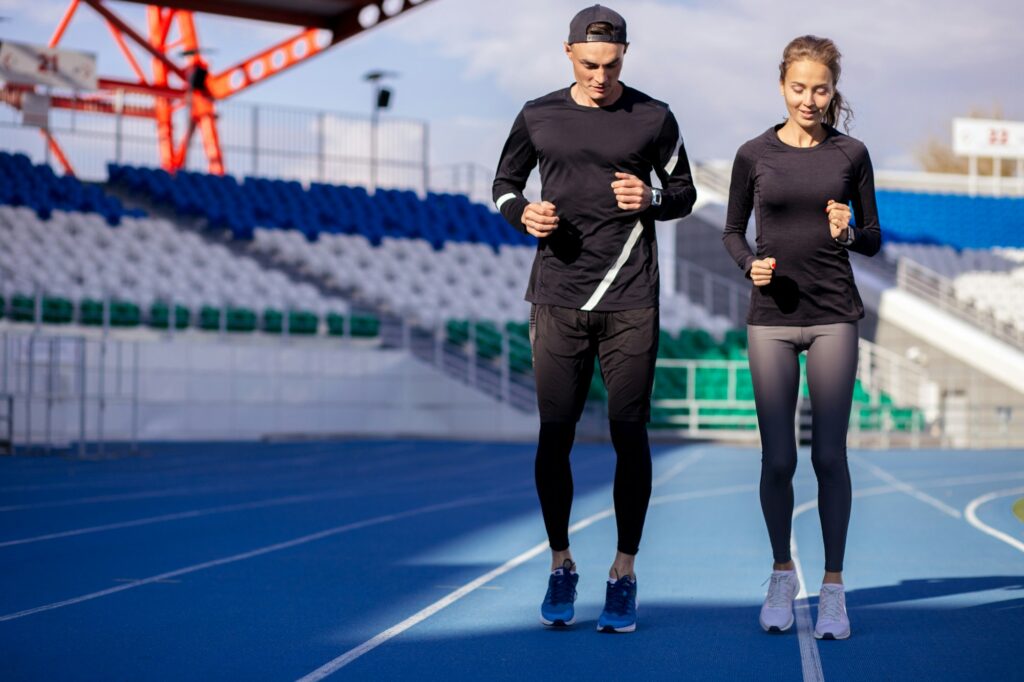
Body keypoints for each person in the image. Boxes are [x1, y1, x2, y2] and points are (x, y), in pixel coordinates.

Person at [492, 4, 697, 633]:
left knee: (628, 436)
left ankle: (623, 573)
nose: (601, 76)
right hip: (556, 298)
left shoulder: (654, 116)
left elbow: (685, 193)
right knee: (555, 437)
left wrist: (654, 198)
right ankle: (561, 563)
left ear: (625, 55)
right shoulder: (537, 114)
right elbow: (504, 183)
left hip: (632, 298)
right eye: (589, 64)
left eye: (610, 64)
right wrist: (521, 214)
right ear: (568, 53)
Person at [722, 35, 881, 640]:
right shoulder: (752, 154)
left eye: (820, 88)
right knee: (779, 459)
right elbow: (733, 231)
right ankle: (782, 573)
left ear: (833, 88)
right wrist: (748, 265)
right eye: (799, 87)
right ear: (782, 85)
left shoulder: (852, 153)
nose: (809, 98)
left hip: (835, 315)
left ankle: (834, 589)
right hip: (771, 320)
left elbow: (872, 237)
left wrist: (847, 231)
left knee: (828, 456)